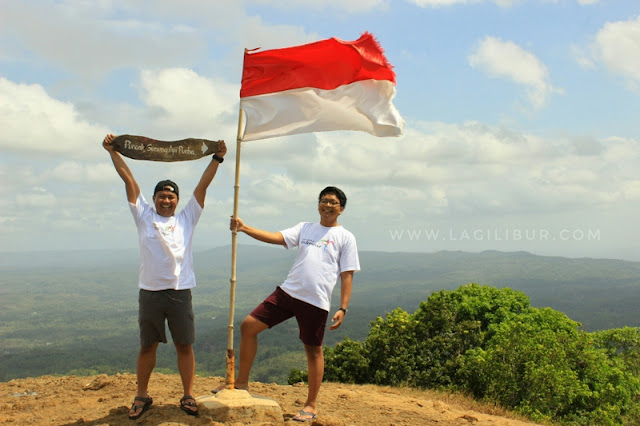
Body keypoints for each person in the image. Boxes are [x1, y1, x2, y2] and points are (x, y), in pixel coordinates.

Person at [102, 133, 227, 420]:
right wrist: (113, 152)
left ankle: (187, 395)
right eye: (162, 196)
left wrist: (217, 158)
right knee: (148, 345)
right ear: (155, 198)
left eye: (171, 196)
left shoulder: (187, 218)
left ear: (177, 200)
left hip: (180, 291)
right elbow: (129, 180)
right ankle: (142, 395)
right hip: (150, 291)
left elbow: (202, 186)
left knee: (185, 344)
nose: (167, 200)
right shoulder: (144, 215)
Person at [227, 186, 360, 422]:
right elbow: (277, 238)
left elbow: (347, 274)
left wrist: (343, 307)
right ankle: (241, 383)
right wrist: (244, 228)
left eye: (333, 202)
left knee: (313, 351)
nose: (327, 205)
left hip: (316, 301)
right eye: (323, 201)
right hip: (288, 292)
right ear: (318, 204)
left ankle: (310, 405)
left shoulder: (346, 237)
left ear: (341, 209)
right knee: (248, 326)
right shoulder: (305, 228)